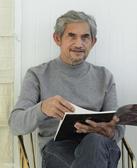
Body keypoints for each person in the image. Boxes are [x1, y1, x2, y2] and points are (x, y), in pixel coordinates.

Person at [8, 10, 124, 168]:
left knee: (95, 142)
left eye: (85, 37)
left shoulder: (104, 76)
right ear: (57, 39)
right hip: (59, 148)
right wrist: (42, 108)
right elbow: (16, 124)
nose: (79, 44)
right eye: (72, 36)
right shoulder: (37, 75)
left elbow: (117, 124)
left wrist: (111, 132)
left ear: (93, 42)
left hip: (99, 145)